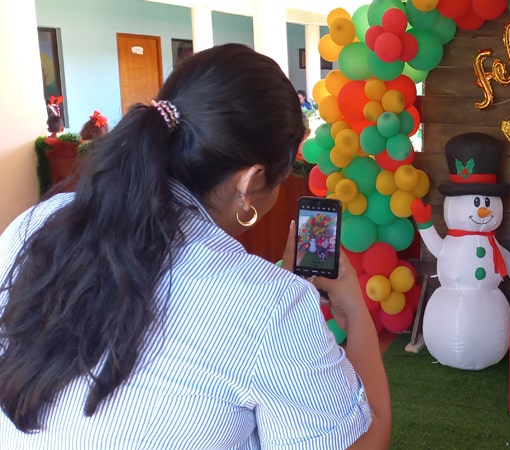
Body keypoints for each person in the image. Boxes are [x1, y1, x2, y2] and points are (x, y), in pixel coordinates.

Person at [0, 43, 391, 449]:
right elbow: (366, 440)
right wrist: (354, 309)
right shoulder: (270, 303)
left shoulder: (36, 224)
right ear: (250, 181)